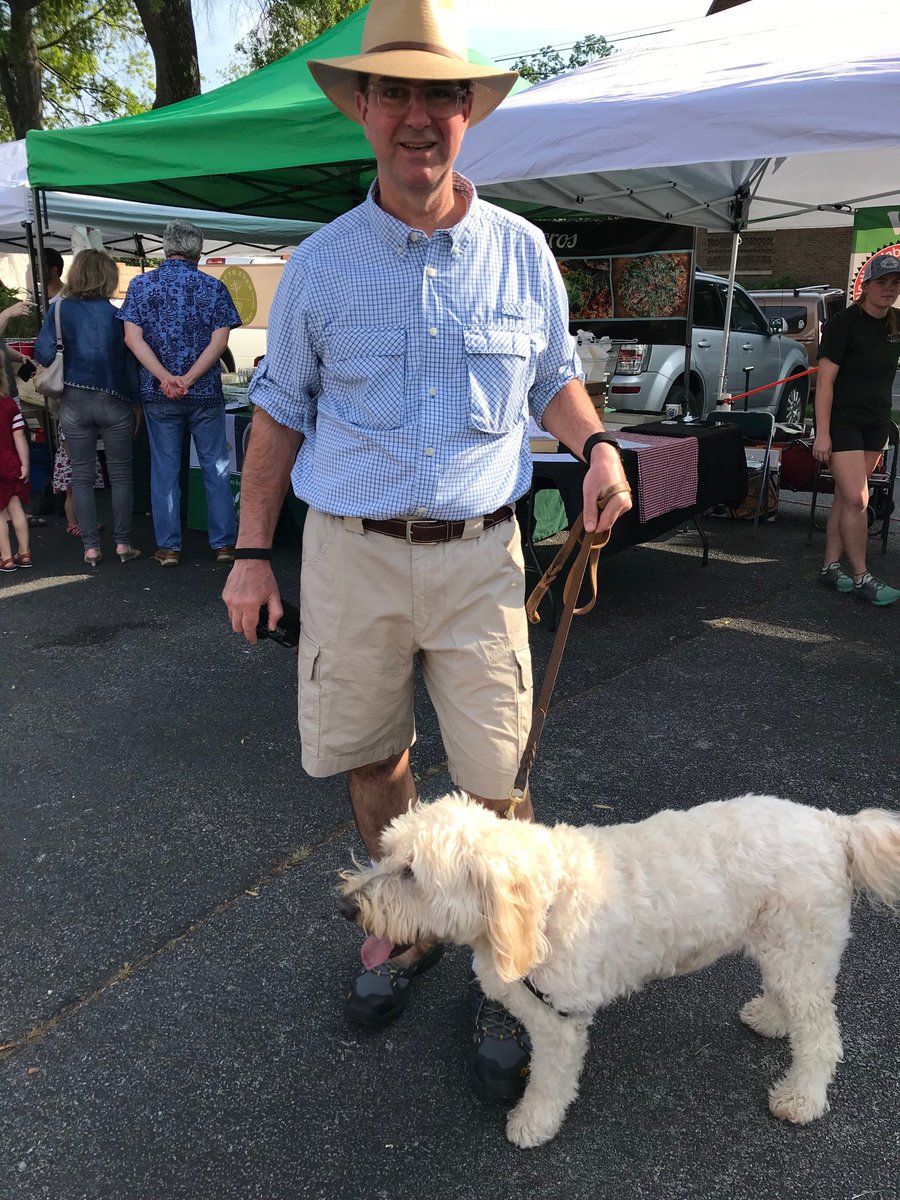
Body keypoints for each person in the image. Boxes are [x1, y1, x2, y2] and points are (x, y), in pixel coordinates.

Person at [222, 0, 631, 1102]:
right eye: (392, 93)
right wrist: (251, 553)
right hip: (350, 557)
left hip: (480, 557)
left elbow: (552, 379)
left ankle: (514, 970)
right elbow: (279, 415)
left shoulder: (523, 250)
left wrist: (594, 445)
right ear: (363, 108)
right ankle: (407, 932)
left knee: (500, 782)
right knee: (375, 761)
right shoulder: (317, 265)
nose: (415, 117)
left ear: (467, 113)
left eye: (436, 96)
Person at [119, 219, 241, 567]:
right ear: (198, 250)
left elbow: (132, 338)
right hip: (204, 393)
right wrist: (188, 378)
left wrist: (165, 378)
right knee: (215, 468)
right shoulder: (213, 288)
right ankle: (223, 544)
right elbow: (220, 342)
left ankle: (169, 547)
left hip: (159, 395)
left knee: (165, 470)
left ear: (165, 247)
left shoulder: (141, 286)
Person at [34, 249, 141, 567]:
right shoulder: (118, 316)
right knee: (121, 475)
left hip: (73, 402)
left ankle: (91, 549)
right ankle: (123, 545)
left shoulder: (59, 310)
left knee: (80, 477)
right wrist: (137, 405)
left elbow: (43, 354)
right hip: (114, 401)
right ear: (109, 276)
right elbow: (130, 368)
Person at [813, 253, 900, 606]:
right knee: (856, 499)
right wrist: (822, 432)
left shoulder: (896, 323)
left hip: (876, 422)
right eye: (882, 282)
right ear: (865, 286)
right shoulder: (844, 324)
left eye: (895, 284)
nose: (889, 289)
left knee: (845, 498)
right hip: (842, 422)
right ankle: (863, 575)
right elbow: (824, 384)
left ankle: (830, 567)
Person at [0, 375, 31, 570]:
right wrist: (25, 464)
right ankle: (24, 552)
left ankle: (6, 557)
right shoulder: (10, 404)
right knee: (15, 508)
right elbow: (19, 435)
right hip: (10, 463)